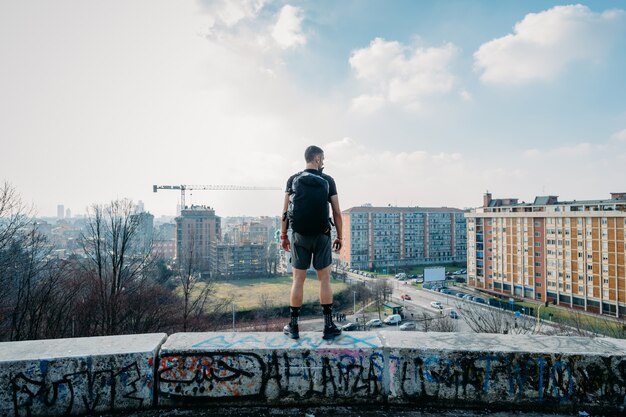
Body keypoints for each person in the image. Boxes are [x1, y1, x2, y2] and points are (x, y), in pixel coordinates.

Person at [281, 145, 343, 340]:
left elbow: (284, 212)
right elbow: (337, 212)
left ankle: (293, 326)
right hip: (323, 235)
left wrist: (283, 235)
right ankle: (328, 326)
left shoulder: (292, 179)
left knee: (298, 280)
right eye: (322, 159)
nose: (323, 162)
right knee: (324, 279)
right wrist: (339, 237)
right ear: (316, 158)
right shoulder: (328, 180)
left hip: (299, 236)